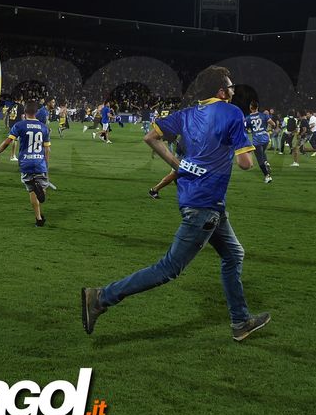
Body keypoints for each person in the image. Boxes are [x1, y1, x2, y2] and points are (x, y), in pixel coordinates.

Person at [81, 66, 270, 342]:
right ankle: (101, 297)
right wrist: (238, 147)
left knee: (234, 254)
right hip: (205, 205)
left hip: (202, 202)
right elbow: (245, 163)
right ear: (220, 91)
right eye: (229, 87)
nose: (232, 92)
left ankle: (240, 321)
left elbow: (150, 137)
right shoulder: (232, 113)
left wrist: (178, 164)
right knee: (169, 268)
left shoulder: (186, 114)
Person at [0, 101, 51, 227]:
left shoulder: (19, 125)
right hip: (40, 162)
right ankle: (40, 189)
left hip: (26, 163)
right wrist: (46, 165)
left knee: (31, 191)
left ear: (24, 112)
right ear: (36, 113)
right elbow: (47, 149)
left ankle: (39, 219)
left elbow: (7, 142)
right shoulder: (44, 127)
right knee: (42, 188)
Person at [245, 101, 274, 184]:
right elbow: (273, 124)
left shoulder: (248, 118)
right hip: (266, 138)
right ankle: (266, 163)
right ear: (257, 107)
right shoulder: (264, 115)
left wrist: (249, 129)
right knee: (262, 152)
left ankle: (267, 176)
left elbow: (245, 128)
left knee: (259, 159)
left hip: (257, 140)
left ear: (251, 108)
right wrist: (266, 128)